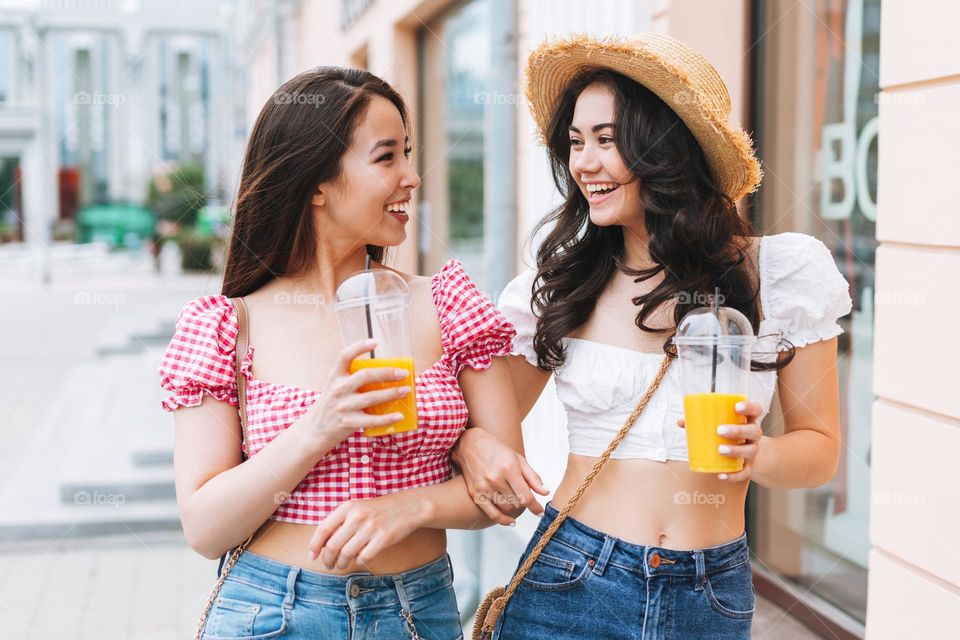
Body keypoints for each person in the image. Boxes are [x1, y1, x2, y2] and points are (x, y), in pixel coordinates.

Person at [452, 34, 852, 639]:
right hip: (571, 578)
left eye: (607, 140)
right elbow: (478, 424)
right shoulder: (562, 283)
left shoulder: (783, 274)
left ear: (668, 151)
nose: (584, 163)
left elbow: (819, 449)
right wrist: (470, 447)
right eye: (576, 142)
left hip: (710, 594)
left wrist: (760, 454)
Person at [158, 66, 543, 640]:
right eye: (386, 157)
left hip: (418, 612)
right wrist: (321, 425)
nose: (413, 177)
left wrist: (409, 508)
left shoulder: (447, 304)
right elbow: (206, 528)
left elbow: (505, 495)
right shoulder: (227, 325)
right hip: (271, 615)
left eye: (408, 154)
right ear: (316, 181)